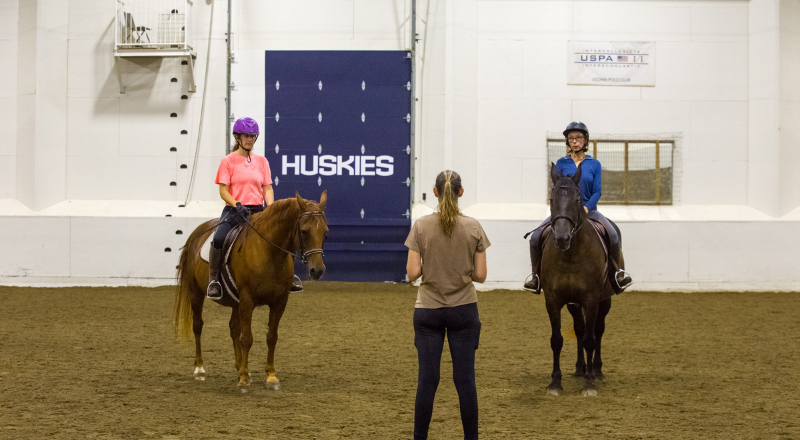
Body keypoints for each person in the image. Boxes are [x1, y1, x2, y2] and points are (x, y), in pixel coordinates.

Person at [405, 170, 490, 440]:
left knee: (427, 381)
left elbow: (412, 273)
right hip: (464, 309)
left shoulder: (420, 226)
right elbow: (480, 276)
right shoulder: (474, 227)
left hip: (428, 310)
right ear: (461, 192)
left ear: (435, 192)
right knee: (465, 381)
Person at [523, 121, 632, 295]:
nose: (575, 141)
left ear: (585, 140)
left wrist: (588, 207)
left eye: (578, 137)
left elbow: (597, 191)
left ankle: (617, 275)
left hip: (590, 211)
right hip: (565, 212)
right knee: (535, 237)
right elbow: (557, 189)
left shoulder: (594, 164)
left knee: (612, 233)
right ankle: (536, 277)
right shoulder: (561, 163)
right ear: (567, 141)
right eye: (571, 138)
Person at [207, 117, 301, 299]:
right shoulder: (228, 161)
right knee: (218, 238)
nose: (250, 139)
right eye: (246, 135)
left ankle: (289, 277)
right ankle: (214, 280)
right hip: (235, 210)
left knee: (284, 236)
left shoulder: (262, 161)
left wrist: (271, 209)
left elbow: (267, 187)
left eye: (253, 136)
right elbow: (223, 191)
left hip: (258, 210)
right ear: (237, 137)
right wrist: (237, 204)